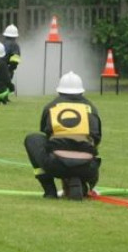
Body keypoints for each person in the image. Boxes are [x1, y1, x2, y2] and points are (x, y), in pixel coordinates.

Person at [24, 71, 102, 201]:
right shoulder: (91, 108)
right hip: (88, 168)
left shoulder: (51, 106)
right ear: (81, 92)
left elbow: (47, 135)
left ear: (59, 91)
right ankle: (82, 182)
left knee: (33, 139)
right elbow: (97, 139)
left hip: (56, 166)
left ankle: (50, 191)